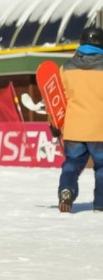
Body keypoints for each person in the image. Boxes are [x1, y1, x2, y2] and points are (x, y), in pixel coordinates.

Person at [57, 26, 103, 213]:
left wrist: (54, 124)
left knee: (71, 165)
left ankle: (66, 190)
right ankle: (100, 205)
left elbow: (57, 101)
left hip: (74, 129)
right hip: (100, 129)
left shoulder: (65, 69)